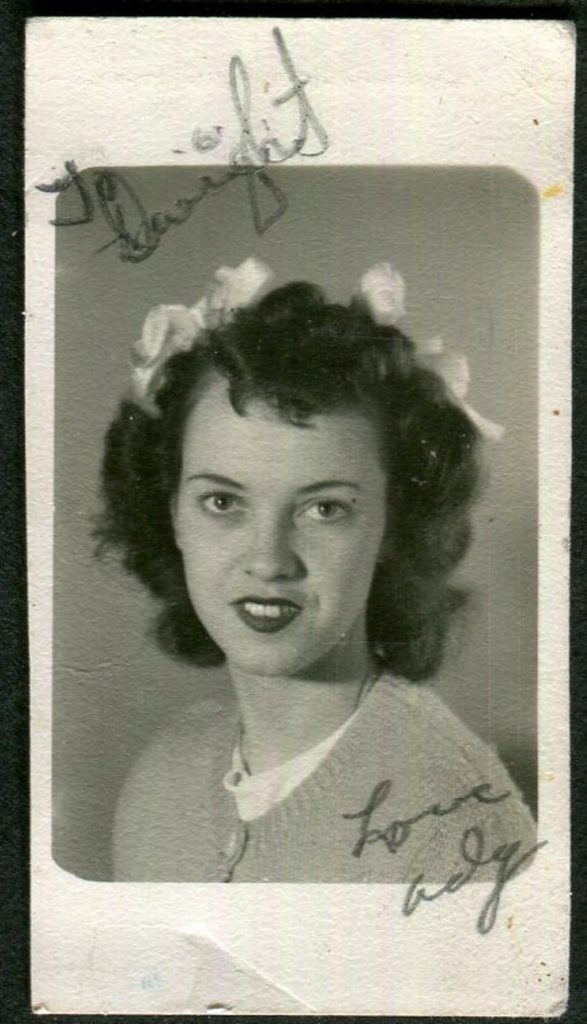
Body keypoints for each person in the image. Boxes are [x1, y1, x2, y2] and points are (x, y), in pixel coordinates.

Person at [97, 258, 536, 883]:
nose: (269, 561)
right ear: (170, 513)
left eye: (325, 508)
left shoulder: (459, 826)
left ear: (393, 524)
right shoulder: (159, 778)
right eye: (222, 502)